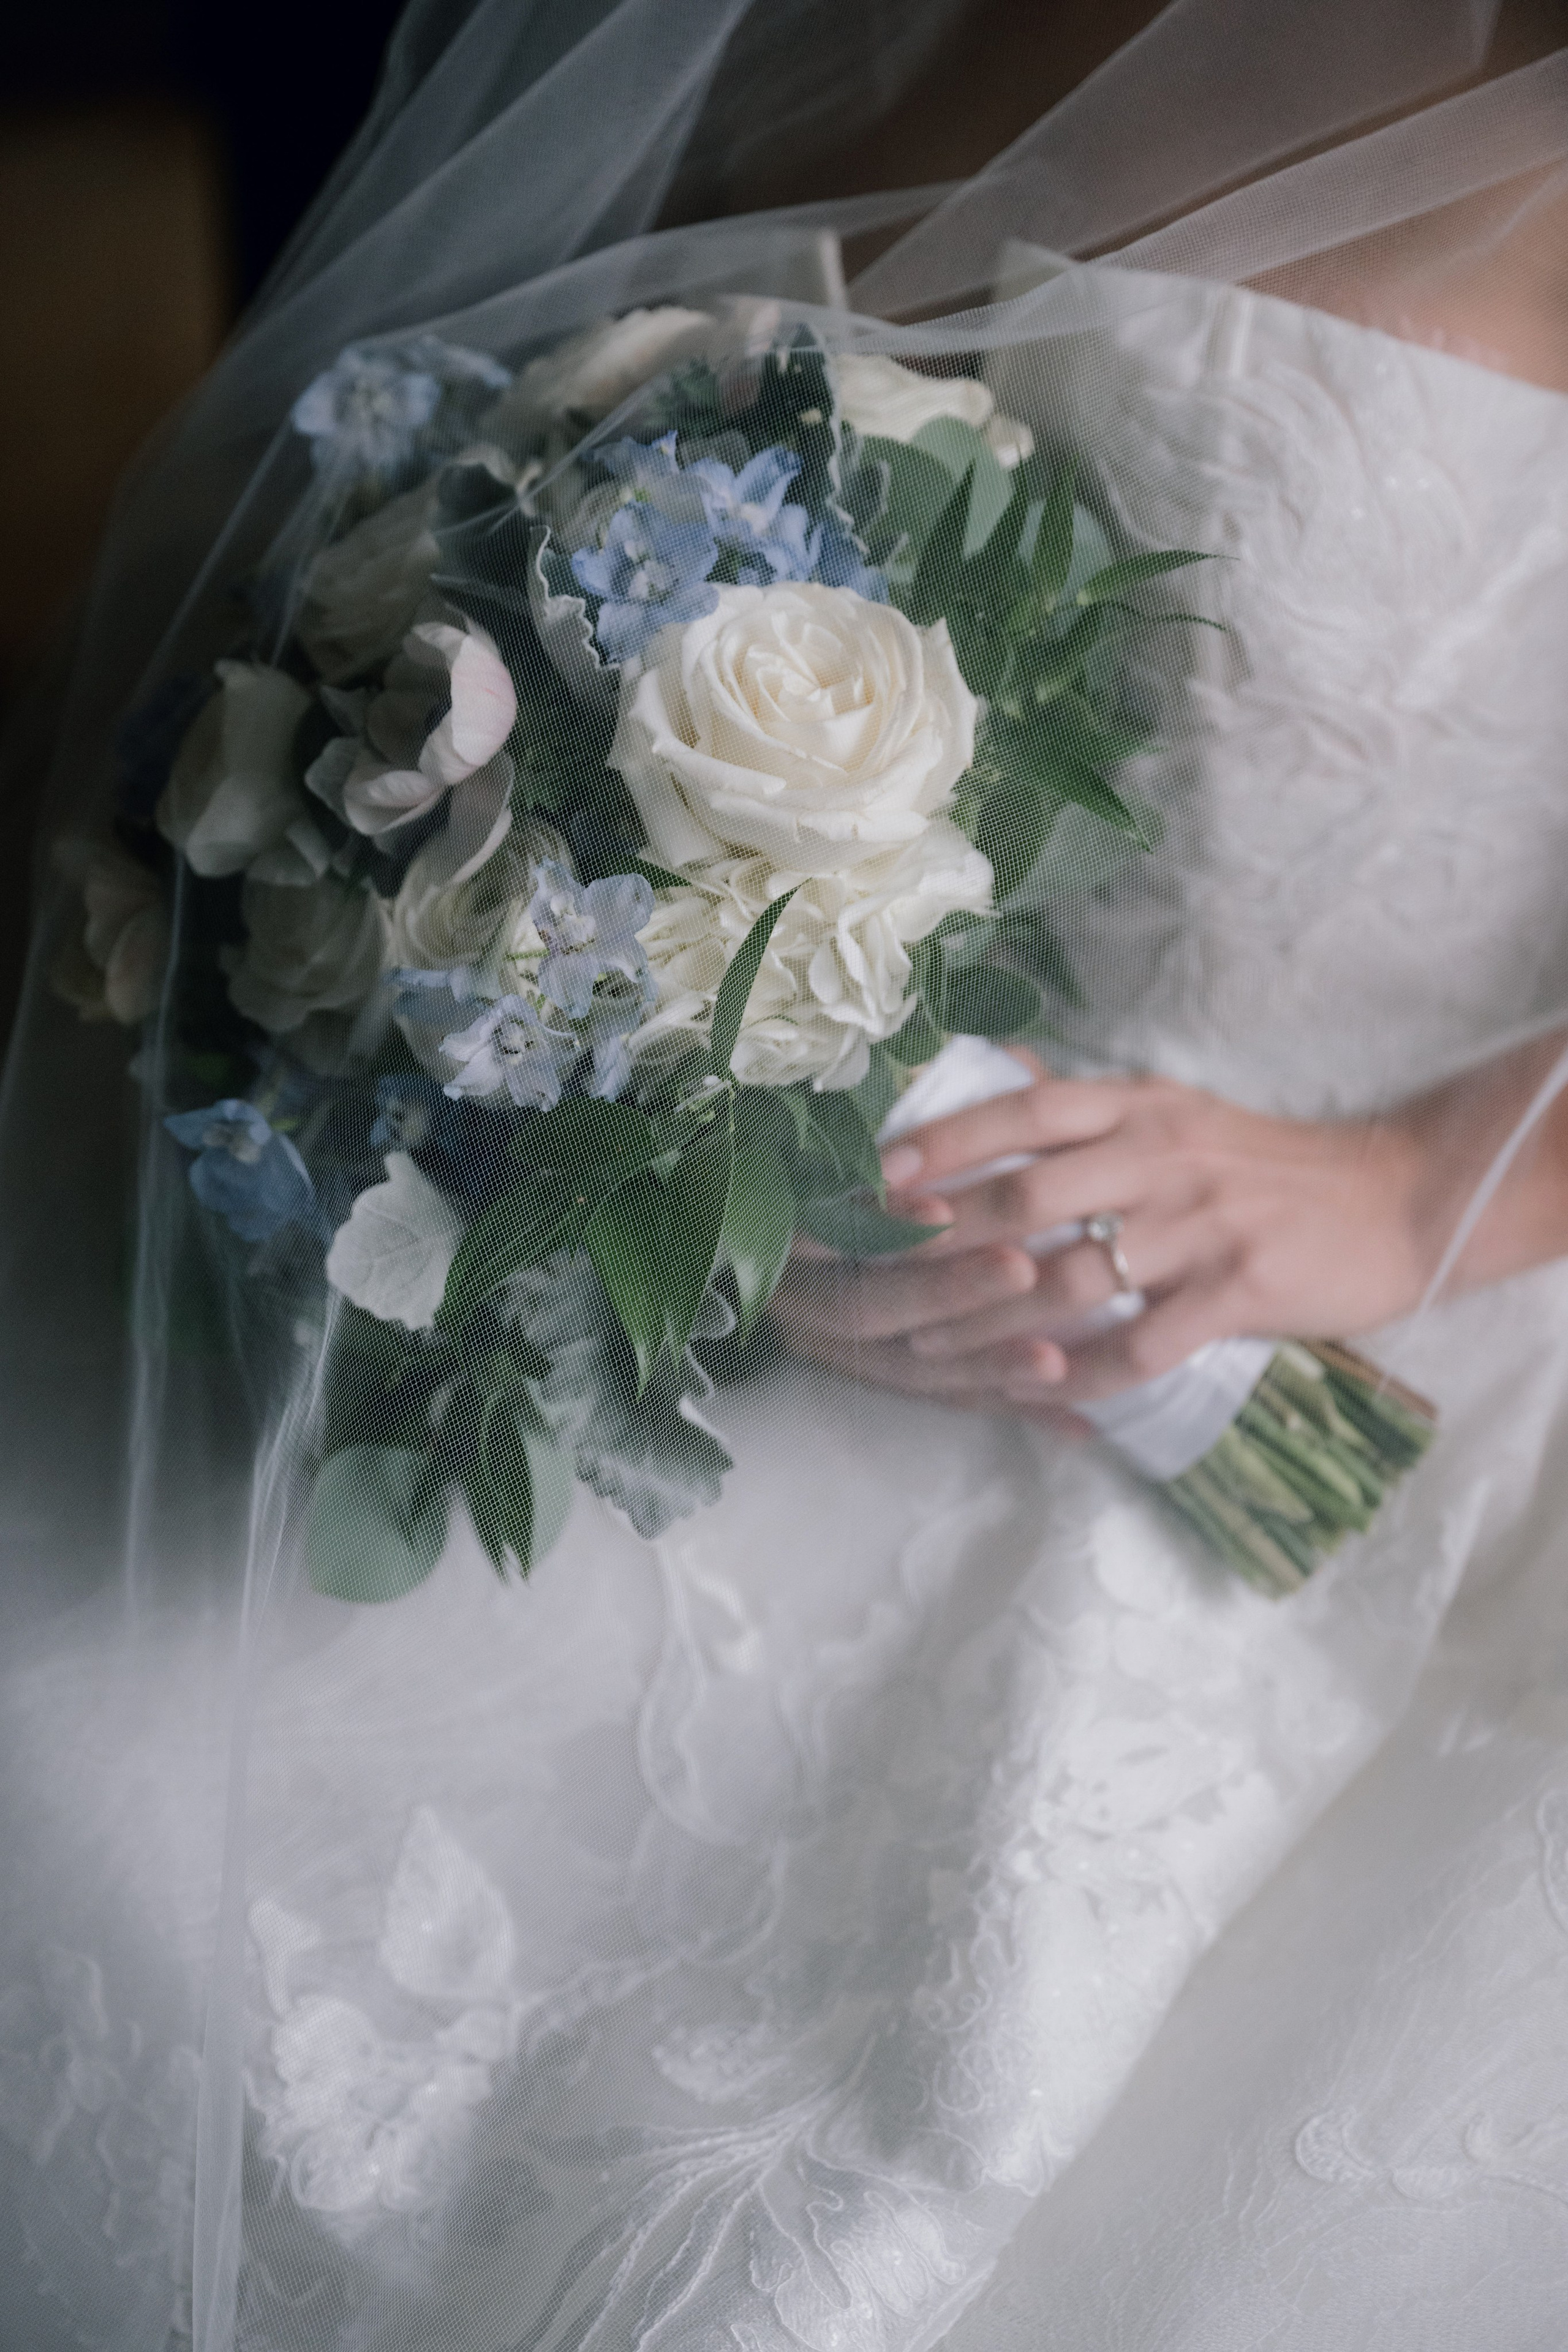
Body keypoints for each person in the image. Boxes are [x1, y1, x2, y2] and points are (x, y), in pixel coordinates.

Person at [3, 5, 1568, 2348]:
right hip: (852, 1207)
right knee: (97, 1752)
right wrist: (696, 1117)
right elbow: (550, 468)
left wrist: (1423, 1174)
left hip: (1424, 1286)